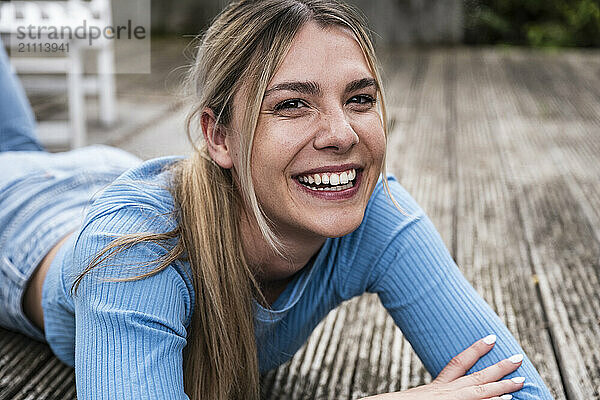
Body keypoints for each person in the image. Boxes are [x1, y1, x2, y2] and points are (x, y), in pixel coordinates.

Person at [0, 1, 554, 399]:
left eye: (360, 98)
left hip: (108, 171)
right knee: (15, 149)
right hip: (23, 214)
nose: (342, 134)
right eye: (293, 104)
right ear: (219, 137)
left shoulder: (375, 214)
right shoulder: (134, 244)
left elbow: (517, 388)